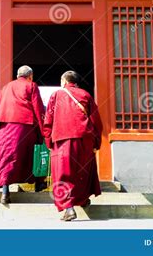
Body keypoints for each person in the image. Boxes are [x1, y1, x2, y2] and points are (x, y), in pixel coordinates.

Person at [43, 70, 103, 221]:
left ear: (64, 82)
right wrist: (96, 143)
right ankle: (83, 200)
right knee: (83, 172)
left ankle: (69, 208)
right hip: (85, 139)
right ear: (76, 82)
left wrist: (49, 141)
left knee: (63, 174)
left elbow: (48, 120)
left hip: (63, 140)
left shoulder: (56, 95)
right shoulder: (86, 95)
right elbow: (96, 122)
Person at [0, 65, 46, 204]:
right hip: (24, 125)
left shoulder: (5, 88)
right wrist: (43, 130)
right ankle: (38, 184)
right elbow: (38, 109)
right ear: (30, 76)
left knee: (7, 157)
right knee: (31, 154)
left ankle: (5, 191)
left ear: (18, 75)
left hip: (5, 126)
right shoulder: (31, 86)